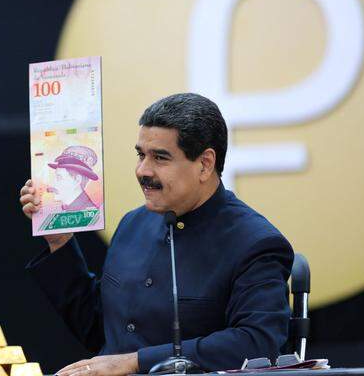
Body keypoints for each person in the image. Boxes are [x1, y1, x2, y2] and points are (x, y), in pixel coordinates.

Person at [19, 93, 294, 376]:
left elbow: (258, 343)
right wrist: (59, 242)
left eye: (160, 158)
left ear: (205, 164)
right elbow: (99, 331)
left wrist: (136, 361)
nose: (142, 170)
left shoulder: (256, 243)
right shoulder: (132, 224)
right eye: (141, 155)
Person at [48, 145, 100, 211]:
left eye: (59, 177)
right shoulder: (69, 208)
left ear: (77, 180)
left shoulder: (88, 212)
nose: (53, 184)